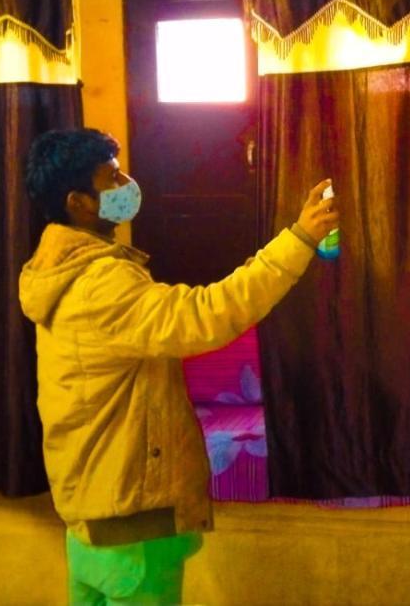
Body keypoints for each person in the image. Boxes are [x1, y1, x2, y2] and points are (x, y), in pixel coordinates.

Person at [19, 128, 338, 605]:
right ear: (79, 203)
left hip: (92, 512)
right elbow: (204, 317)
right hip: (132, 525)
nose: (127, 183)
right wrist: (298, 240)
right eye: (111, 177)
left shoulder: (59, 270)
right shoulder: (99, 283)